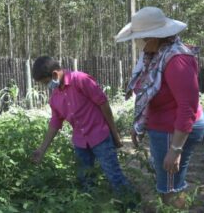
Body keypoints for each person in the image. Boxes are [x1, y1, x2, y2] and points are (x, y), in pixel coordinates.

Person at [115, 7, 204, 208]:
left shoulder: (177, 59)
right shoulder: (155, 54)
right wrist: (140, 124)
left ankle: (173, 210)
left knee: (170, 184)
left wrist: (175, 149)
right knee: (169, 180)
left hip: (174, 129)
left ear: (154, 37)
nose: (137, 43)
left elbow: (187, 106)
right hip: (164, 125)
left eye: (140, 38)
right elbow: (149, 94)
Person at [30, 56, 133, 197]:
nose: (47, 86)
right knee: (85, 181)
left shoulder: (80, 80)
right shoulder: (55, 98)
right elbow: (55, 123)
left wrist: (115, 134)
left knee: (114, 176)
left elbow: (103, 104)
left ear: (54, 74)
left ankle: (131, 205)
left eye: (46, 82)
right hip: (80, 143)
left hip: (100, 136)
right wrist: (41, 150)